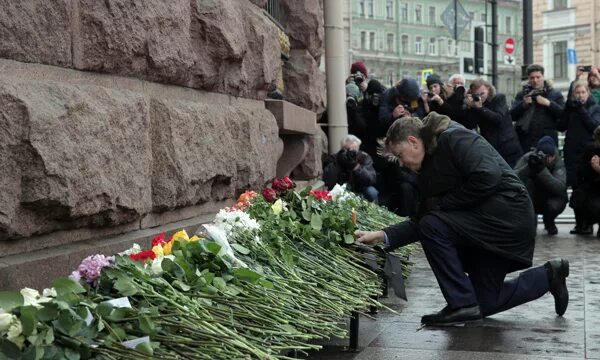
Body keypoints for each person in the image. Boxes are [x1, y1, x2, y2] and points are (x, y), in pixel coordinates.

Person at [355, 112, 569, 326]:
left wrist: (444, 203)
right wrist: (382, 235)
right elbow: (422, 217)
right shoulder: (428, 164)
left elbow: (488, 176)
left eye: (400, 155)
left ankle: (461, 303)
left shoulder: (453, 138)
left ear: (413, 142)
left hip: (507, 219)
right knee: (485, 303)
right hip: (486, 225)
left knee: (432, 226)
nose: (401, 164)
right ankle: (550, 275)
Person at [514, 136, 568, 235]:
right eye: (543, 155)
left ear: (553, 156)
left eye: (548, 156)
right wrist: (528, 168)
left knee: (554, 206)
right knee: (527, 187)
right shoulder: (529, 158)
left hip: (550, 197)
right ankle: (530, 225)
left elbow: (560, 188)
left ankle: (549, 222)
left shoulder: (558, 163)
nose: (546, 159)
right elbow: (513, 178)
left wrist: (542, 170)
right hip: (532, 196)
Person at [464, 79, 522, 167]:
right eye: (477, 95)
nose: (480, 97)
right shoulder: (475, 104)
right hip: (491, 146)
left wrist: (480, 108)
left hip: (507, 145)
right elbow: (470, 125)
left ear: (488, 89)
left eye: (482, 93)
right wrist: (470, 108)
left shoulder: (498, 98)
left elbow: (498, 119)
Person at [511, 64, 565, 152]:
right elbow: (511, 115)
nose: (535, 80)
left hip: (547, 139)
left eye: (538, 77)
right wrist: (523, 105)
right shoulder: (522, 94)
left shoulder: (554, 94)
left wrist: (548, 103)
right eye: (532, 78)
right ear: (528, 78)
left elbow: (563, 115)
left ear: (543, 77)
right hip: (525, 141)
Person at [557, 80, 600, 188]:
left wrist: (581, 110)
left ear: (588, 93)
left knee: (587, 182)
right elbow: (560, 126)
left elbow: (594, 126)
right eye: (577, 93)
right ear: (573, 94)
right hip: (572, 151)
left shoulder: (595, 107)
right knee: (574, 182)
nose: (580, 95)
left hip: (588, 150)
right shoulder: (571, 108)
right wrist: (567, 109)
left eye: (583, 92)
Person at [323, 135, 378, 202]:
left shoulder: (364, 157)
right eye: (348, 150)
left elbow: (371, 179)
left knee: (372, 192)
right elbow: (328, 181)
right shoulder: (335, 158)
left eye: (354, 150)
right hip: (339, 188)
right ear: (342, 148)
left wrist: (356, 167)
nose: (351, 153)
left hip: (360, 188)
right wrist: (338, 163)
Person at [569, 126, 600, 236]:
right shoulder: (590, 151)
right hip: (590, 188)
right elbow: (580, 171)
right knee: (578, 196)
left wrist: (598, 169)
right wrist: (591, 166)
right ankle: (584, 223)